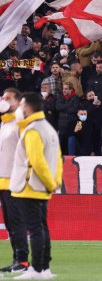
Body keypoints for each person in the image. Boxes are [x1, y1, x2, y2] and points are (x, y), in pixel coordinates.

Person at [11, 92, 61, 280]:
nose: (19, 109)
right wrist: (55, 182)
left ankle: (37, 269)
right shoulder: (48, 128)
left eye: (22, 105)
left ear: (29, 107)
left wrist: (49, 182)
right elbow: (57, 158)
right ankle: (44, 268)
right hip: (42, 186)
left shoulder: (33, 130)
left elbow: (37, 161)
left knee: (35, 228)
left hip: (29, 185)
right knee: (42, 227)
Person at [0, 89, 27, 274]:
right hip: (3, 179)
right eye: (2, 97)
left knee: (17, 222)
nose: (3, 100)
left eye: (8, 98)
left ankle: (23, 261)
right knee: (10, 223)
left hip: (15, 180)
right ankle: (17, 259)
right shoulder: (6, 123)